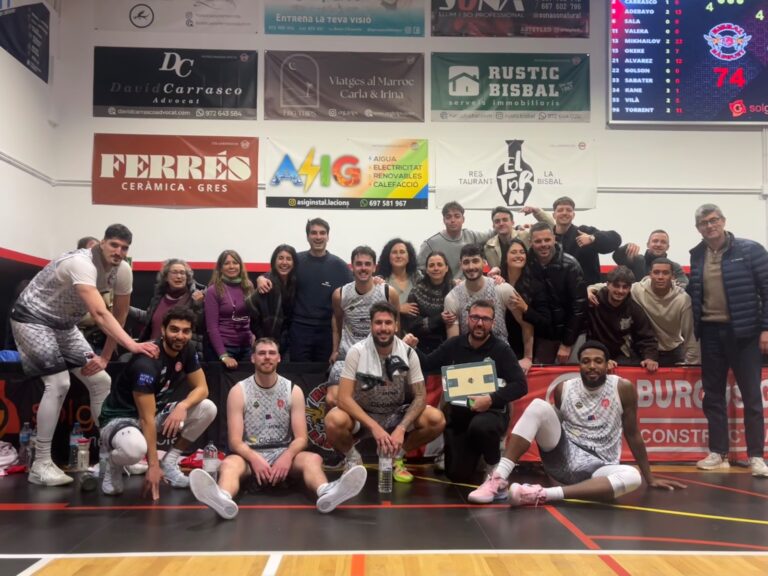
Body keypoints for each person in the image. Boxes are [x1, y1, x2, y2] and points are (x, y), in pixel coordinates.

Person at [10, 224, 158, 486]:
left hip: (65, 325)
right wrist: (133, 346)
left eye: (124, 248)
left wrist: (106, 357)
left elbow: (119, 315)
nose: (119, 251)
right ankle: (41, 464)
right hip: (32, 318)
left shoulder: (123, 270)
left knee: (101, 379)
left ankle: (113, 452)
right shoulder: (81, 262)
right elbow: (100, 314)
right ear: (101, 243)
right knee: (59, 383)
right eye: (114, 244)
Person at [468, 341, 686, 505]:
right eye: (586, 361)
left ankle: (539, 494)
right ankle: (497, 480)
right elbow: (552, 429)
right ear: (579, 364)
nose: (592, 366)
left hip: (599, 467)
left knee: (632, 476)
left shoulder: (623, 388)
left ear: (608, 365)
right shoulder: (565, 388)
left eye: (598, 361)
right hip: (564, 458)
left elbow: (633, 433)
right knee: (538, 406)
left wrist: (649, 477)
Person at [190, 338, 367, 519]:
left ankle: (326, 493)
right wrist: (254, 458)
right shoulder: (238, 390)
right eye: (262, 353)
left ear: (279, 358)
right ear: (253, 358)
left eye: (272, 353)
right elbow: (235, 441)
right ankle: (223, 497)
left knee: (313, 458)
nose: (267, 357)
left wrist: (287, 457)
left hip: (283, 454)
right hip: (251, 457)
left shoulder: (293, 390)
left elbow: (301, 438)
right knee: (229, 464)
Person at [98, 306, 217, 498]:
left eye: (186, 331)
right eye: (174, 329)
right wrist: (152, 466)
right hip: (120, 419)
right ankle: (112, 462)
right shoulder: (147, 362)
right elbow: (146, 420)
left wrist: (183, 406)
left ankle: (170, 462)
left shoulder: (187, 349)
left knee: (208, 408)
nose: (180, 336)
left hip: (154, 412)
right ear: (163, 330)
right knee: (135, 448)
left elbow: (202, 388)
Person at [408, 300, 528, 483]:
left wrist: (491, 399)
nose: (480, 323)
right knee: (456, 475)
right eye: (475, 317)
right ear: (467, 319)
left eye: (485, 319)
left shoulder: (501, 350)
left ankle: (493, 461)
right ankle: (474, 454)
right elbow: (427, 363)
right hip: (459, 417)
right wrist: (412, 348)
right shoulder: (454, 345)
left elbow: (521, 385)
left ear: (493, 323)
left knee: (481, 426)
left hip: (492, 414)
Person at [688, 204, 768, 476]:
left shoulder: (750, 250)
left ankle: (756, 455)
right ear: (698, 228)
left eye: (713, 221)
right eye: (703, 223)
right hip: (710, 333)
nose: (709, 226)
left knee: (752, 397)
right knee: (712, 396)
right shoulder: (697, 255)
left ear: (723, 221)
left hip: (744, 333)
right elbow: (694, 292)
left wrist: (766, 329)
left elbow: (767, 290)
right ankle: (718, 452)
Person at [325, 302, 445, 483]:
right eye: (378, 323)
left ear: (396, 326)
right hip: (363, 415)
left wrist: (402, 428)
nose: (383, 328)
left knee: (436, 419)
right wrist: (374, 427)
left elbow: (420, 397)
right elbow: (343, 398)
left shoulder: (409, 353)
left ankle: (396, 457)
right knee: (333, 420)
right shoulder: (356, 352)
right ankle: (353, 459)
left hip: (396, 413)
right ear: (371, 325)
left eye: (388, 323)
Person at [257, 218, 352, 362]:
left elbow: (358, 286)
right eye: (314, 233)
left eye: (322, 233)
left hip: (327, 331)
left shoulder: (339, 266)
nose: (318, 237)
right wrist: (261, 278)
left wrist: (376, 281)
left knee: (323, 375)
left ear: (328, 236)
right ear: (308, 236)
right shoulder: (296, 261)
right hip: (299, 330)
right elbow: (276, 273)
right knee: (298, 373)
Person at [327, 246, 399, 406]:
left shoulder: (388, 292)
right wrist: (335, 349)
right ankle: (352, 427)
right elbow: (337, 321)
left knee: (377, 400)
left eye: (367, 264)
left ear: (374, 267)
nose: (363, 268)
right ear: (352, 266)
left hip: (379, 357)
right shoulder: (340, 294)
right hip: (346, 355)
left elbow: (396, 325)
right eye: (359, 264)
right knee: (332, 399)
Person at [444, 245, 529, 373]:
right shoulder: (452, 297)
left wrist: (528, 357)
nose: (471, 266)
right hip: (470, 363)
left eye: (475, 261)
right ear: (460, 264)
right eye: (466, 262)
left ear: (484, 263)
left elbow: (526, 322)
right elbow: (453, 342)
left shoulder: (502, 288)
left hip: (503, 358)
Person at [527, 222, 587, 364]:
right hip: (544, 336)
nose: (543, 244)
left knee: (573, 378)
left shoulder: (571, 265)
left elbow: (579, 307)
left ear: (554, 239)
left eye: (547, 240)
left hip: (572, 334)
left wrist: (567, 344)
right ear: (530, 243)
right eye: (538, 241)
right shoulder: (526, 265)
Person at [585, 266, 659, 372]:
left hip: (620, 355)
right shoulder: (592, 302)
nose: (620, 291)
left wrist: (650, 358)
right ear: (608, 285)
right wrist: (600, 357)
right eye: (616, 286)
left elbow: (646, 337)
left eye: (625, 287)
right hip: (592, 353)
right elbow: (585, 336)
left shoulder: (634, 309)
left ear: (630, 288)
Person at [628, 258, 699, 366]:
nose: (660, 277)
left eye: (665, 273)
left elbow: (690, 335)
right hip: (642, 353)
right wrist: (592, 289)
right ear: (650, 274)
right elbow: (609, 287)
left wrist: (692, 364)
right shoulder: (637, 290)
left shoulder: (683, 299)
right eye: (656, 272)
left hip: (673, 353)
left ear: (673, 276)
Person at [129, 258, 205, 354]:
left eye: (182, 273)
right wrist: (126, 308)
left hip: (181, 354)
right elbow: (148, 317)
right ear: (166, 277)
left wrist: (199, 306)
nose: (179, 276)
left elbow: (199, 325)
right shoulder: (159, 297)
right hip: (153, 351)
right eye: (174, 272)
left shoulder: (196, 298)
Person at [498, 238, 550, 364]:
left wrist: (526, 308)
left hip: (527, 347)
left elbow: (545, 322)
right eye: (513, 252)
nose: (518, 255)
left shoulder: (535, 285)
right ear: (505, 257)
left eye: (522, 252)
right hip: (501, 344)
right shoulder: (498, 280)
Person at [550, 197, 622, 285]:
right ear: (554, 215)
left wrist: (593, 238)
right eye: (560, 210)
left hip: (587, 292)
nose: (564, 213)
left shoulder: (585, 232)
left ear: (573, 215)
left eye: (568, 210)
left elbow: (616, 239)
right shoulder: (547, 237)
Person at [417, 201, 493, 280]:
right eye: (448, 217)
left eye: (457, 216)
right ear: (444, 220)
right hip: (443, 290)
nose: (452, 220)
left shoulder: (471, 235)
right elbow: (419, 269)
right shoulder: (430, 243)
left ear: (463, 219)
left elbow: (492, 233)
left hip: (469, 287)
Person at [204, 249, 254, 368]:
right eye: (226, 263)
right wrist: (223, 355)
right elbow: (212, 327)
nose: (231, 266)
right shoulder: (213, 290)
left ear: (240, 266)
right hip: (224, 348)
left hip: (246, 347)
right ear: (220, 268)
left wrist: (252, 335)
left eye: (235, 263)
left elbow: (253, 315)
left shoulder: (248, 286)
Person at [246, 244, 297, 355]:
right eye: (280, 258)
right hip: (265, 341)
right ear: (274, 261)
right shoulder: (267, 282)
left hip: (288, 339)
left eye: (288, 259)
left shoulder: (294, 282)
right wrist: (260, 336)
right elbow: (250, 307)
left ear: (294, 263)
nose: (284, 262)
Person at [403, 252, 453, 354]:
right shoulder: (416, 292)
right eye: (431, 265)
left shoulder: (455, 289)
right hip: (423, 346)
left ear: (446, 268)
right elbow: (413, 326)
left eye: (439, 265)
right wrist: (439, 319)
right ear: (427, 270)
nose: (436, 268)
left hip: (450, 343)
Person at [483, 205, 554, 269]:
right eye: (497, 221)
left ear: (512, 223)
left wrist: (537, 211)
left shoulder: (525, 236)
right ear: (493, 225)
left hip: (528, 281)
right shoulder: (489, 247)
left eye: (505, 220)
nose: (501, 223)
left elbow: (552, 226)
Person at [613, 229, 688, 288]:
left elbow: (684, 283)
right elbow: (616, 257)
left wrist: (672, 285)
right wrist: (626, 247)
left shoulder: (674, 266)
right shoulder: (636, 260)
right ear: (648, 244)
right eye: (655, 241)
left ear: (667, 247)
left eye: (663, 242)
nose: (658, 244)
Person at [377, 238, 421, 323]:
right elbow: (375, 309)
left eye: (402, 252)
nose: (398, 256)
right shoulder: (381, 280)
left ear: (409, 257)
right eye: (394, 252)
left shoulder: (417, 278)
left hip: (415, 328)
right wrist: (399, 308)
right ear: (388, 257)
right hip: (388, 328)